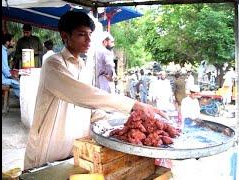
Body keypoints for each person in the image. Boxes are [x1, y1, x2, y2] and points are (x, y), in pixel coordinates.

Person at [24, 11, 167, 170]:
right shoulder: (53, 64)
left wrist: (121, 121)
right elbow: (81, 95)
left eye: (90, 34)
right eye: (81, 34)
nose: (89, 39)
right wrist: (133, 105)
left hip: (76, 149)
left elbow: (89, 108)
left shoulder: (82, 66)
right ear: (65, 36)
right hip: (48, 152)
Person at [2, 33, 20, 98]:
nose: (14, 43)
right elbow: (4, 69)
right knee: (21, 86)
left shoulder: (4, 50)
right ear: (7, 42)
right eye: (12, 41)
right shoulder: (2, 51)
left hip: (4, 77)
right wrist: (12, 77)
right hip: (3, 79)